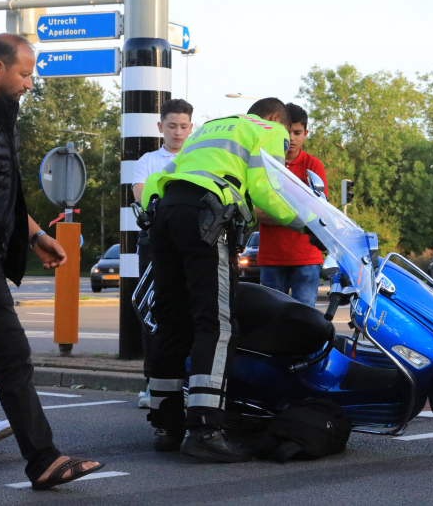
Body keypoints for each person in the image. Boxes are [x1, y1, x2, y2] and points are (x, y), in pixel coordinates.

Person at [0, 33, 103, 489]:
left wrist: (36, 235)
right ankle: (44, 460)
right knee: (10, 354)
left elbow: (0, 192)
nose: (31, 83)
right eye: (26, 74)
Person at [140, 97, 304, 461]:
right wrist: (306, 223)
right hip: (206, 217)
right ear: (277, 118)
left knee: (170, 321)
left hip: (165, 213)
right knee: (216, 324)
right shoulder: (268, 130)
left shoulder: (210, 129)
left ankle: (167, 425)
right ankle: (206, 429)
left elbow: (157, 179)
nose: (287, 146)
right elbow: (266, 188)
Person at [132, 98, 194, 409]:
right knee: (152, 311)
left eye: (184, 126)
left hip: (190, 244)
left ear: (191, 128)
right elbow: (140, 193)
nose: (178, 132)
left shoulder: (198, 158)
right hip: (154, 242)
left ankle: (186, 382)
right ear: (160, 127)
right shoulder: (148, 160)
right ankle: (151, 384)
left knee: (190, 311)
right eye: (171, 126)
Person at [256, 103, 326, 307]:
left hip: (306, 257)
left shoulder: (313, 166)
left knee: (304, 321)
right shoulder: (264, 163)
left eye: (297, 132)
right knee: (270, 319)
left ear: (306, 133)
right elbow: (252, 210)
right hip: (271, 258)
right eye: (288, 132)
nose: (292, 138)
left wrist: (273, 208)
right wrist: (298, 210)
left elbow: (317, 210)